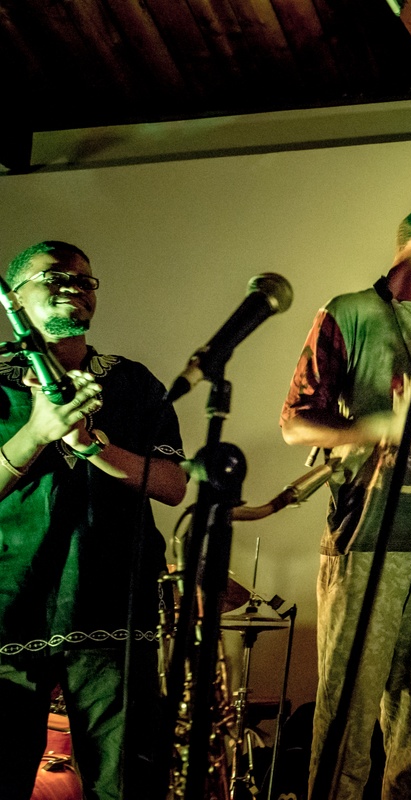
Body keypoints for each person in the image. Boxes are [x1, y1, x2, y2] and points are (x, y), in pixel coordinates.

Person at [280, 206, 411, 799]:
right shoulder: (349, 311)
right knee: (344, 725)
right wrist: (387, 426)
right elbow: (296, 423)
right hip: (364, 543)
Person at [0, 240, 188, 800]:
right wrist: (36, 431)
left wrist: (91, 445)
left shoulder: (132, 383)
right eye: (54, 276)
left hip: (110, 607)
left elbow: (173, 485)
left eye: (84, 280)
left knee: (126, 785)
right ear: (15, 298)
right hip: (9, 607)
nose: (74, 287)